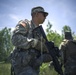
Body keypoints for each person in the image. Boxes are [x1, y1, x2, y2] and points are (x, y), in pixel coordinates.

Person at [10, 6, 52, 75]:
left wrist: (49, 54)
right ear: (36, 14)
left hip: (34, 68)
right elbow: (15, 38)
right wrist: (34, 43)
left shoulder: (40, 34)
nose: (45, 17)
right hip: (22, 66)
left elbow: (43, 52)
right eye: (44, 15)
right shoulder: (25, 24)